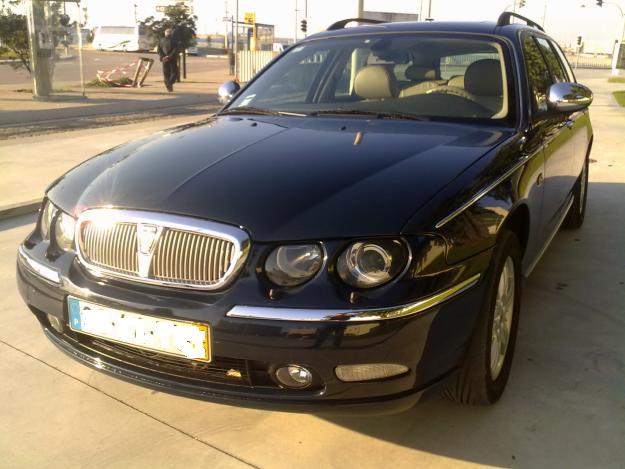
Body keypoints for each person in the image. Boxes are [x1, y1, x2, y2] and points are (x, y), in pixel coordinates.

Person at [157, 28, 178, 92]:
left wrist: (163, 57)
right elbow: (175, 50)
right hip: (172, 59)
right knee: (174, 73)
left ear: (165, 33)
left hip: (164, 59)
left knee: (166, 74)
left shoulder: (161, 40)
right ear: (171, 34)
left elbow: (159, 50)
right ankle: (169, 84)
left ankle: (169, 87)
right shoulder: (174, 41)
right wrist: (169, 56)